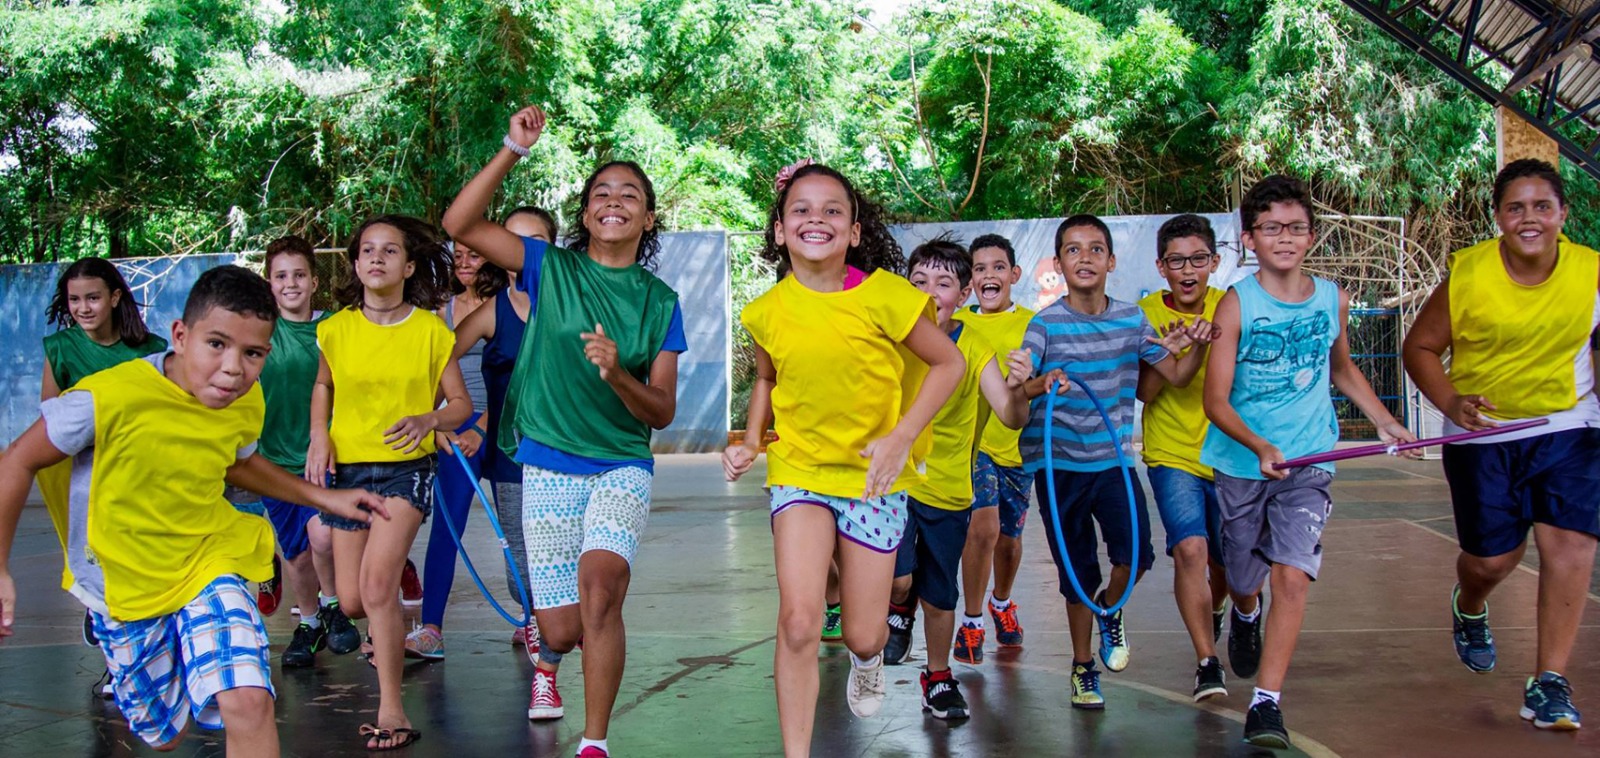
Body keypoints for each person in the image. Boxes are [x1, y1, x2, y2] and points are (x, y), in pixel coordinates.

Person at [0, 265, 388, 757]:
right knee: (165, 736)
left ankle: (217, 634)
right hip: (123, 578)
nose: (233, 369)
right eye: (217, 345)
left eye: (252, 354)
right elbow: (17, 460)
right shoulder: (106, 398)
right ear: (180, 336)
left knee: (249, 700)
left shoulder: (245, 401)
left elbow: (239, 463)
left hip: (210, 558)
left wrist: (323, 497)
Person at [443, 107, 686, 758]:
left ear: (648, 218)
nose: (614, 201)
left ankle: (595, 742)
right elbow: (458, 225)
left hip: (620, 464)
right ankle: (548, 657)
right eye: (600, 193)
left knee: (603, 591)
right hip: (548, 463)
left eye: (629, 194)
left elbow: (660, 410)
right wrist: (511, 149)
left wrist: (616, 376)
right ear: (584, 215)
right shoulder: (549, 268)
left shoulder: (659, 303)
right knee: (563, 624)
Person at [722, 159, 964, 757]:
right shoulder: (765, 311)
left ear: (855, 230)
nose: (816, 219)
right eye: (800, 209)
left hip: (873, 480)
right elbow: (767, 380)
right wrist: (752, 440)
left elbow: (948, 364)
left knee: (863, 632)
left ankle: (868, 659)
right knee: (800, 620)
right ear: (779, 230)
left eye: (833, 210)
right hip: (799, 473)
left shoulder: (887, 295)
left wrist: (903, 435)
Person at [1202, 175, 1416, 749]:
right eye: (1272, 228)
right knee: (1243, 577)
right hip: (1243, 463)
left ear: (1313, 236)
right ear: (1250, 238)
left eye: (1297, 227)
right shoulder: (1236, 303)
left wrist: (1384, 420)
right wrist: (1260, 447)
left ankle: (1266, 703)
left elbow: (1340, 368)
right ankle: (1244, 613)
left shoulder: (1332, 299)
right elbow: (1214, 400)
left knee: (1292, 576)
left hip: (1311, 459)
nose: (1286, 238)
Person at [1402, 158, 1597, 732]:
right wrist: (1453, 402)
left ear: (1563, 213)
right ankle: (1470, 603)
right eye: (1516, 207)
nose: (1529, 218)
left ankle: (1550, 682)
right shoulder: (1469, 274)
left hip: (1567, 423)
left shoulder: (1591, 272)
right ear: (1498, 218)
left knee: (1571, 545)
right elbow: (1420, 349)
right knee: (1493, 559)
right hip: (1483, 432)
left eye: (1542, 206)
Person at [1019, 213, 1208, 711]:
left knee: (1138, 556)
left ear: (1111, 260)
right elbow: (1022, 389)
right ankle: (1083, 668)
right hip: (1058, 467)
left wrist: (1190, 349)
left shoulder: (1131, 319)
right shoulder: (1044, 325)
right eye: (1074, 250)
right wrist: (1043, 380)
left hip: (1114, 462)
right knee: (1076, 570)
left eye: (1095, 249)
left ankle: (1110, 608)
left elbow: (1174, 375)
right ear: (1059, 263)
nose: (1085, 258)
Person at [306, 215, 471, 751]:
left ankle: (392, 710)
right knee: (353, 602)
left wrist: (430, 419)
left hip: (406, 470)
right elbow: (324, 386)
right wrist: (318, 437)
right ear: (355, 264)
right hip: (349, 471)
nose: (377, 258)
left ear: (410, 265)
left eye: (390, 250)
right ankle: (395, 604)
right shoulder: (333, 329)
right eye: (367, 251)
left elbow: (461, 404)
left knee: (376, 588)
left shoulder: (430, 330)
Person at [883, 237, 1032, 722]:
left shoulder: (975, 344)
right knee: (902, 580)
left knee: (940, 591)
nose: (929, 293)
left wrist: (1023, 387)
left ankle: (938, 677)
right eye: (918, 282)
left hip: (950, 489)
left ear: (963, 294)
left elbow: (1010, 415)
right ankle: (898, 609)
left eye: (943, 283)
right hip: (894, 484)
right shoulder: (891, 337)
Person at [38, 257, 168, 695]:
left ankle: (160, 657)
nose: (84, 308)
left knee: (145, 568)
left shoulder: (151, 347)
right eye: (75, 300)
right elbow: (51, 416)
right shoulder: (60, 348)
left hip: (142, 475)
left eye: (93, 297)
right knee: (104, 573)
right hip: (88, 480)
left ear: (114, 297)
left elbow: (167, 410)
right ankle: (118, 663)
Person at [407, 233, 525, 660]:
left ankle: (532, 619)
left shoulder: (510, 306)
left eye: (474, 253)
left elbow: (514, 381)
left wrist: (485, 426)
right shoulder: (442, 310)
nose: (464, 262)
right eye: (458, 256)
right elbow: (432, 370)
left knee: (520, 526)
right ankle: (432, 627)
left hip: (506, 422)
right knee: (447, 524)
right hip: (457, 427)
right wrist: (437, 422)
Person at [253, 236, 361, 668]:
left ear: (314, 281)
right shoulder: (259, 331)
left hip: (323, 453)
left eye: (299, 274)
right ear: (270, 283)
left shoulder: (334, 328)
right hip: (273, 460)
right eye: (281, 276)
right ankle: (311, 622)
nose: (291, 283)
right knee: (295, 553)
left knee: (322, 535)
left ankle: (333, 604)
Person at [1135, 214, 1230, 701]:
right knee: (1190, 549)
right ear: (1161, 265)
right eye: (1177, 260)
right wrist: (1181, 352)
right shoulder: (1146, 315)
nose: (1188, 269)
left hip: (1230, 453)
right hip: (1171, 453)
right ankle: (1207, 662)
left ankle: (1239, 612)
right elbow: (1148, 391)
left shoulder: (1231, 306)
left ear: (1214, 262)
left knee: (1232, 567)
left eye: (1198, 259)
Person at [952, 233, 1035, 663]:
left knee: (1009, 540)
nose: (989, 275)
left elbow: (1045, 381)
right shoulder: (960, 327)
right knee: (981, 530)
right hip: (975, 446)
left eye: (998, 267)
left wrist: (1032, 382)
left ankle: (1001, 603)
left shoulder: (1034, 324)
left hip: (1020, 449)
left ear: (1013, 275)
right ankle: (970, 622)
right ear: (970, 281)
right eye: (980, 268)